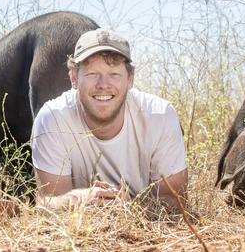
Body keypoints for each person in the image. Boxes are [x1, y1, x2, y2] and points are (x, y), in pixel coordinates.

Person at [31, 28, 188, 210]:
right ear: (74, 77)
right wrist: (79, 200)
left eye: (114, 74)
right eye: (92, 74)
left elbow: (175, 202)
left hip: (145, 226)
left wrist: (127, 209)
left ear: (130, 79)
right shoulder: (52, 119)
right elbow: (47, 204)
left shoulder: (160, 116)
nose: (103, 85)